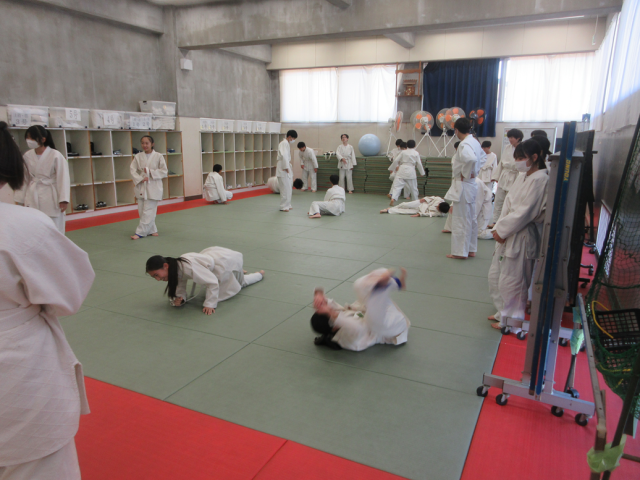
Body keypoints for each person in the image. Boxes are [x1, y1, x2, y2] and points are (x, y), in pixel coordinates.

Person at [0, 121, 95, 479]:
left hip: (45, 198)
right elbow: (69, 294)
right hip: (15, 366)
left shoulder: (55, 158)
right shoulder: (20, 227)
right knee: (35, 461)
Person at [487, 139, 549, 332]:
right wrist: (499, 227)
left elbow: (525, 212)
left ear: (535, 157)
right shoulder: (523, 176)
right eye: (517, 158)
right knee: (496, 276)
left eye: (521, 158)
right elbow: (508, 203)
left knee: (514, 281)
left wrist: (502, 230)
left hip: (521, 234)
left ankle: (512, 323)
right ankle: (502, 312)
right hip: (508, 231)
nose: (518, 162)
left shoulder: (541, 179)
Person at [311, 268, 410, 351]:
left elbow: (327, 303)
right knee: (372, 320)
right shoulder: (347, 339)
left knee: (359, 284)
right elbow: (359, 327)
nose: (333, 310)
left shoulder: (333, 317)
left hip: (380, 310)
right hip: (391, 327)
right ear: (333, 328)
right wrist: (330, 312)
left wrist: (318, 295)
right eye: (331, 313)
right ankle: (381, 288)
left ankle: (397, 283)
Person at [146, 247, 264, 315]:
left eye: (157, 275)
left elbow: (212, 282)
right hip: (214, 260)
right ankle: (237, 270)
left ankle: (259, 274)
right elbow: (179, 285)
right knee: (232, 275)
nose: (158, 279)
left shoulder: (188, 267)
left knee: (241, 283)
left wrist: (210, 304)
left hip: (224, 262)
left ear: (165, 266)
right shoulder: (175, 267)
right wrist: (180, 299)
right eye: (154, 277)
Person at [14, 125, 70, 234]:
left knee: (53, 228)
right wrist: (19, 198)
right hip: (32, 194)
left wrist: (63, 199)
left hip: (50, 195)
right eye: (27, 137)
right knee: (34, 227)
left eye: (32, 137)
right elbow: (24, 178)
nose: (29, 140)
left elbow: (63, 178)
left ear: (43, 139)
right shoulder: (27, 156)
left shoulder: (55, 155)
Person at [444, 118, 483, 259]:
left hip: (464, 184)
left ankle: (460, 252)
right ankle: (471, 249)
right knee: (471, 218)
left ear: (456, 130)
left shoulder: (464, 144)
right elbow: (482, 158)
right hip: (470, 184)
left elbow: (471, 159)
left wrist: (466, 173)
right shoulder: (475, 142)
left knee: (460, 219)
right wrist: (473, 172)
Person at [130, 135, 167, 240]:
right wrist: (140, 178)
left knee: (148, 211)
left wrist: (151, 172)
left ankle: (140, 233)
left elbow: (164, 171)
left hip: (153, 185)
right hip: (142, 185)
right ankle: (152, 229)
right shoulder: (138, 156)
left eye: (147, 143)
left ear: (152, 144)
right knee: (142, 210)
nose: (144, 145)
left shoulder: (158, 156)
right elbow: (132, 169)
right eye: (143, 143)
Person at [490, 128, 523, 226]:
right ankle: (495, 222)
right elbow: (501, 163)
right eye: (509, 137)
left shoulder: (523, 148)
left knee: (511, 201)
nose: (510, 139)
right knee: (498, 200)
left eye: (512, 137)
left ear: (518, 138)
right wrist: (496, 176)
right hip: (504, 175)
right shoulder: (507, 148)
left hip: (515, 176)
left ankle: (506, 223)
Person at [389, 139, 425, 205]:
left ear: (407, 145)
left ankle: (393, 198)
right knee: (413, 188)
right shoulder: (416, 153)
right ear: (415, 145)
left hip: (402, 169)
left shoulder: (403, 152)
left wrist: (391, 168)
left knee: (397, 186)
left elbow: (396, 160)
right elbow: (419, 164)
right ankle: (415, 201)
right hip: (411, 170)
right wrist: (422, 173)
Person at [277, 130, 298, 211]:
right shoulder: (283, 143)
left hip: (286, 165)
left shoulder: (286, 143)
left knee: (289, 187)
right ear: (289, 137)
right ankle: (283, 206)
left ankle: (288, 204)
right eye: (293, 138)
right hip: (283, 166)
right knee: (284, 188)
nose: (293, 140)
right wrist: (285, 166)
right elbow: (284, 155)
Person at [380, 196, 449, 217]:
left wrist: (420, 214)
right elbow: (432, 198)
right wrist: (425, 199)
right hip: (422, 203)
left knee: (405, 211)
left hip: (421, 210)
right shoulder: (439, 200)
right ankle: (392, 208)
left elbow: (430, 214)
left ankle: (388, 210)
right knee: (404, 204)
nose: (437, 208)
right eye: (438, 206)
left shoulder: (440, 213)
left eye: (438, 208)